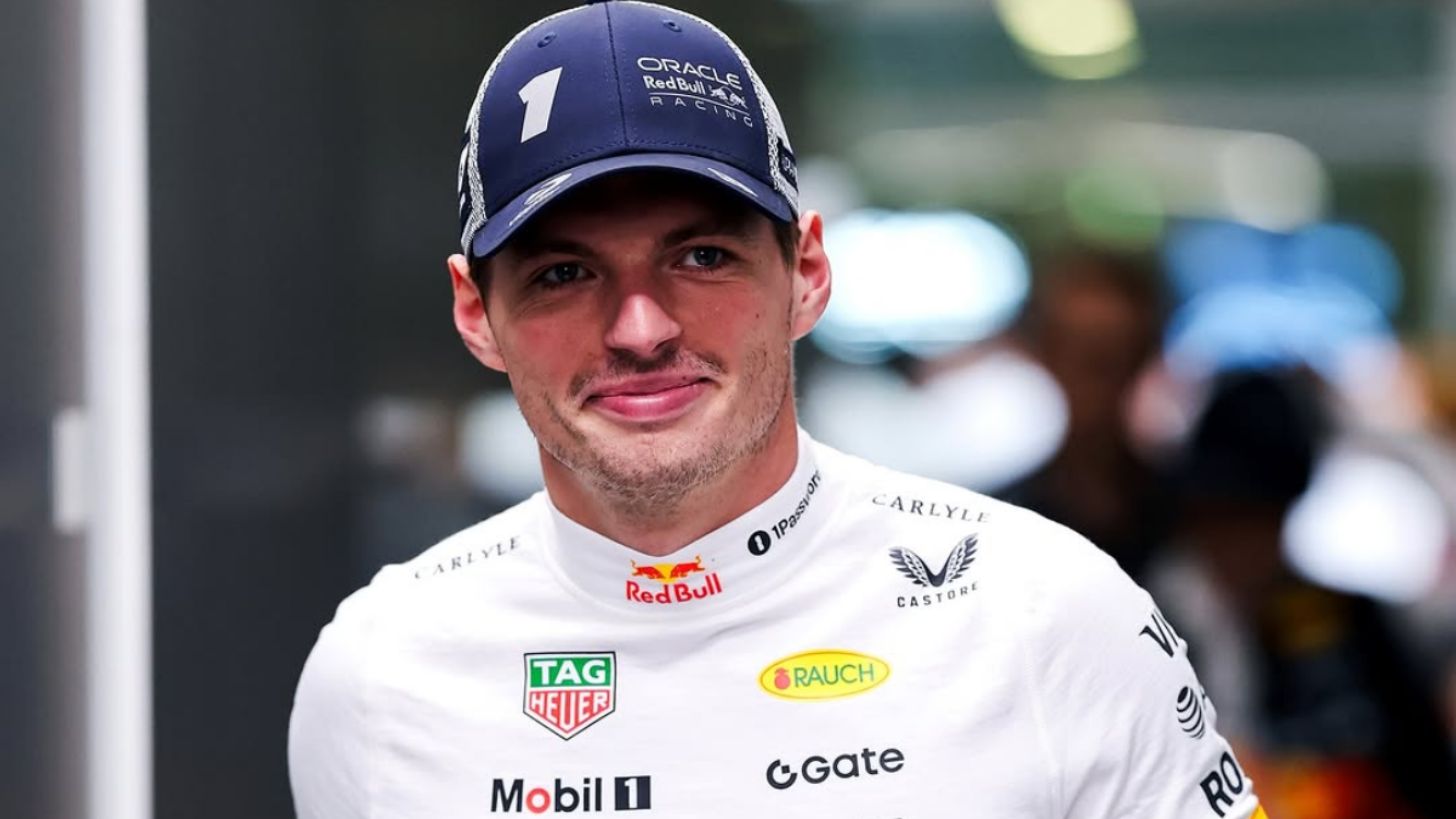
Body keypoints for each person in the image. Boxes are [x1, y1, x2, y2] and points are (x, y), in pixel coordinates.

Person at [288, 3, 1268, 816]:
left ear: (806, 272)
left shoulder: (1044, 612)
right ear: (476, 313)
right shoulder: (378, 673)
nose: (639, 327)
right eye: (563, 273)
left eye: (701, 256)